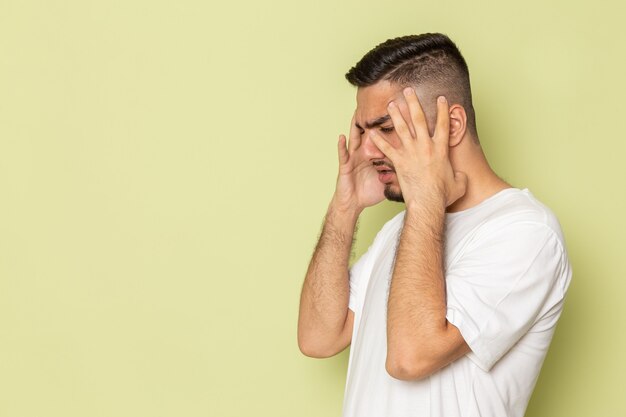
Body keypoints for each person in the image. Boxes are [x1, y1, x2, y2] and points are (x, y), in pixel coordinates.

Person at [297, 33, 572, 417]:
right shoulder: (401, 231)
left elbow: (410, 358)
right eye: (364, 132)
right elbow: (318, 338)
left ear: (453, 124)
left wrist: (426, 199)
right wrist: (346, 207)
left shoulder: (526, 232)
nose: (369, 151)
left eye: (387, 128)